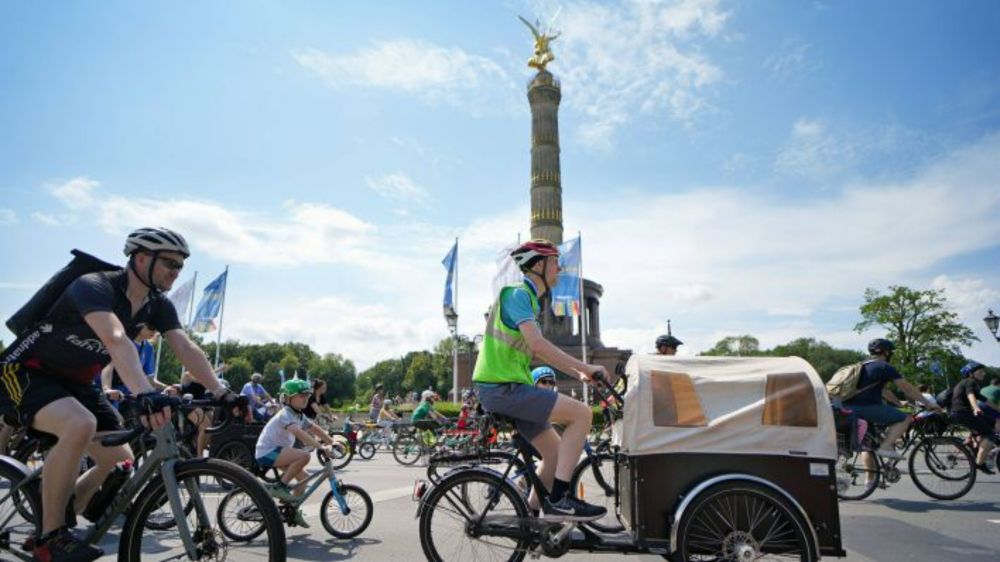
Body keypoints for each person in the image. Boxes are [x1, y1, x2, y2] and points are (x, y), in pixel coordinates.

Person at [0, 226, 234, 561]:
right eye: (169, 263)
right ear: (141, 258)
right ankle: (49, 540)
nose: (175, 271)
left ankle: (52, 514)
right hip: (25, 370)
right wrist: (143, 393)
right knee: (79, 424)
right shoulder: (94, 285)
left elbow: (184, 346)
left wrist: (221, 391)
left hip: (76, 383)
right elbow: (115, 337)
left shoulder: (158, 306)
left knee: (120, 460)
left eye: (180, 266)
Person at [473, 239, 609, 521]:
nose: (559, 268)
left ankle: (532, 521)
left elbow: (540, 348)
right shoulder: (517, 294)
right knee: (582, 414)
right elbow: (539, 346)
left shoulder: (528, 299)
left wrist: (581, 373)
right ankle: (560, 498)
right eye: (555, 262)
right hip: (502, 389)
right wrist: (584, 368)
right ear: (538, 265)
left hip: (509, 388)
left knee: (556, 454)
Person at [842, 339, 942, 460]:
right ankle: (885, 447)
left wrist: (899, 403)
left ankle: (885, 467)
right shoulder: (884, 366)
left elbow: (884, 391)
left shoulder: (862, 366)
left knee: (873, 442)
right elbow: (906, 388)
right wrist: (928, 403)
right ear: (887, 352)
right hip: (866, 407)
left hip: (847, 407)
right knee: (906, 418)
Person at [254, 379, 336, 527]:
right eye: (301, 396)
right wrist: (320, 447)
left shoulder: (299, 415)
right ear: (287, 398)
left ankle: (292, 510)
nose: (305, 398)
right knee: (304, 456)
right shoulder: (285, 414)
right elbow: (299, 433)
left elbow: (314, 428)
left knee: (303, 478)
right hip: (267, 452)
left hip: (280, 453)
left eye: (306, 395)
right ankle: (280, 488)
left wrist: (332, 442)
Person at [950, 362, 996, 474]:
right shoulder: (969, 382)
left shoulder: (967, 383)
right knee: (990, 434)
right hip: (963, 413)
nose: (983, 373)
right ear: (971, 373)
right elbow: (970, 395)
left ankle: (970, 443)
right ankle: (979, 464)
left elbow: (985, 400)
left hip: (959, 413)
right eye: (980, 371)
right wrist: (975, 407)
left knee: (987, 423)